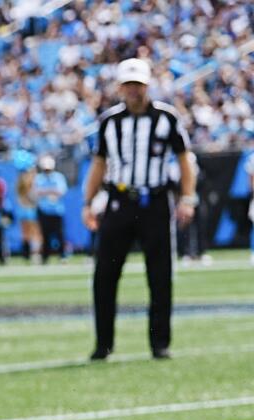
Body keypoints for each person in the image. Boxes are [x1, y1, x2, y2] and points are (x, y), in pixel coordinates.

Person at [81, 58, 195, 361]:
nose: (134, 90)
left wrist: (187, 198)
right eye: (129, 84)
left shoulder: (167, 118)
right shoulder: (109, 121)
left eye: (139, 84)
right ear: (120, 87)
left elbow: (185, 160)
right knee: (104, 275)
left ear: (147, 85)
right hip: (118, 202)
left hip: (155, 202)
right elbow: (99, 164)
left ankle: (160, 343)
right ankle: (103, 343)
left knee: (160, 275)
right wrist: (88, 202)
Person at [34, 156, 68, 264]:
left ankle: (62, 255)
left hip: (57, 211)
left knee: (60, 235)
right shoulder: (39, 178)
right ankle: (45, 257)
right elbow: (36, 192)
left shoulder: (58, 177)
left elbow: (61, 191)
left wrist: (46, 191)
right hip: (44, 211)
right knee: (45, 235)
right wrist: (51, 191)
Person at [15, 161, 41, 264]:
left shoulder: (21, 182)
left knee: (26, 233)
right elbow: (32, 198)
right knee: (34, 233)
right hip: (29, 209)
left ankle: (27, 255)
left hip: (23, 209)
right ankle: (34, 254)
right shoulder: (30, 182)